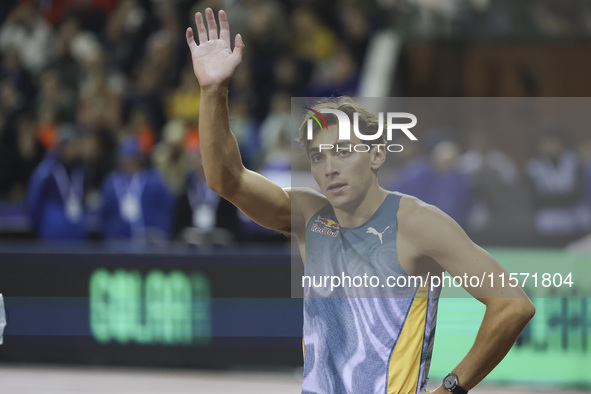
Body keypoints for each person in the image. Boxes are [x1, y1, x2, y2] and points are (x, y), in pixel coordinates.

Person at [185, 8, 535, 393]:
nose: (329, 167)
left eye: (343, 151)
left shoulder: (417, 223)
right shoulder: (308, 216)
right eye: (318, 156)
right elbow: (226, 178)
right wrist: (212, 91)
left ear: (377, 155)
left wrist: (449, 390)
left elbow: (513, 305)